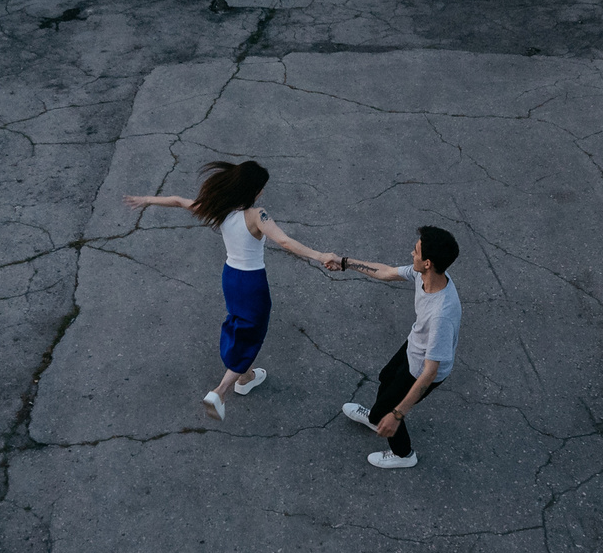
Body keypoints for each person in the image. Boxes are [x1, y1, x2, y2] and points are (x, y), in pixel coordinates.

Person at [124, 161, 337, 421]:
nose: (262, 193)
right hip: (252, 283)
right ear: (254, 190)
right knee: (253, 333)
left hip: (231, 277)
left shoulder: (221, 209)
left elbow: (180, 201)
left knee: (239, 323)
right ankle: (220, 391)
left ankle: (245, 378)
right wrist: (321, 255)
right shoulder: (257, 215)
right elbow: (283, 241)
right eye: (261, 189)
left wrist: (146, 199)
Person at [338, 227, 461, 469]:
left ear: (427, 262)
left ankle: (404, 454)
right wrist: (344, 262)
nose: (410, 254)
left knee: (391, 407)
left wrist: (397, 416)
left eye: (415, 251)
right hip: (416, 345)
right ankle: (375, 418)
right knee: (386, 377)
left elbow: (430, 372)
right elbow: (385, 272)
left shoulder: (441, 315)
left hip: (425, 366)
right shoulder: (424, 276)